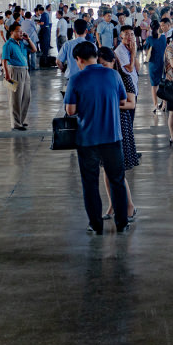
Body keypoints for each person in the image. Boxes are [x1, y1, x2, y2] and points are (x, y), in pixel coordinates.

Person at [65, 41, 130, 234]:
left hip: (87, 139)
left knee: (90, 183)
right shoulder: (113, 74)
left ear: (79, 59)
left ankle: (96, 225)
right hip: (112, 136)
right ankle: (122, 223)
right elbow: (122, 100)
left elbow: (70, 110)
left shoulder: (76, 79)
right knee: (117, 180)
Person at [98, 48, 139, 223]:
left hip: (120, 125)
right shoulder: (100, 79)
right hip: (104, 126)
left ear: (113, 62)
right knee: (106, 171)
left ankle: (129, 206)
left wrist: (111, 104)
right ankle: (113, 205)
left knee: (116, 170)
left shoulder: (124, 78)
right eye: (99, 65)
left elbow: (131, 104)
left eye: (104, 64)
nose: (102, 68)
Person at [2, 23, 37, 131]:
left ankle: (21, 120)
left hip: (25, 71)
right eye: (18, 31)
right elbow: (4, 60)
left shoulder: (21, 43)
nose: (21, 32)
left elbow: (34, 50)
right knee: (15, 99)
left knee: (26, 97)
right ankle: (16, 124)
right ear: (12, 32)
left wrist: (28, 39)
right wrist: (7, 74)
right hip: (14, 71)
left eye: (21, 31)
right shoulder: (8, 45)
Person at [56, 18, 91, 87]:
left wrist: (63, 69)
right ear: (86, 31)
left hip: (71, 79)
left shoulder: (67, 45)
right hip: (88, 79)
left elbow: (58, 61)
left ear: (74, 31)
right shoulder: (92, 46)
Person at [145, 20, 168, 113]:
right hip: (163, 62)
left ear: (151, 28)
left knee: (154, 85)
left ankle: (155, 105)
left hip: (153, 64)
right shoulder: (163, 38)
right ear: (159, 27)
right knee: (163, 84)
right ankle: (164, 104)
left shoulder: (149, 39)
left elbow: (146, 52)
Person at [114, 26, 139, 97]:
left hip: (134, 83)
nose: (130, 37)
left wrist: (134, 53)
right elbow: (130, 69)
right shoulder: (120, 50)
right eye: (127, 34)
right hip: (126, 87)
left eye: (132, 34)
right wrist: (133, 53)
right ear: (121, 36)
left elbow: (137, 68)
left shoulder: (132, 47)